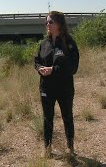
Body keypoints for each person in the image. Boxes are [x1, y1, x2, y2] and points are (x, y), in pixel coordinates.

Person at [34, 11, 80, 158]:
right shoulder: (43, 44)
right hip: (46, 88)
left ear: (59, 24)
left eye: (50, 21)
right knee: (47, 118)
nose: (47, 24)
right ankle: (47, 149)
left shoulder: (69, 42)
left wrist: (53, 69)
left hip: (64, 88)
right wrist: (39, 68)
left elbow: (73, 67)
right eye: (46, 22)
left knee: (67, 116)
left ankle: (70, 148)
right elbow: (36, 61)